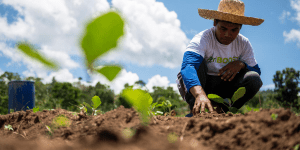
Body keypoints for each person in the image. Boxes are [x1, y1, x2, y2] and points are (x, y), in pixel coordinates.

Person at [176, 0, 264, 117]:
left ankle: (222, 111)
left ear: (240, 28)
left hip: (224, 87)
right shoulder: (203, 39)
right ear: (214, 23)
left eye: (234, 30)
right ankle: (197, 111)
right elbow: (188, 67)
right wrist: (199, 95)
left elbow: (256, 73)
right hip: (201, 85)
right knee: (196, 65)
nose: (228, 34)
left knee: (253, 78)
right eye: (223, 28)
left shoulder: (243, 43)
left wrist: (241, 64)